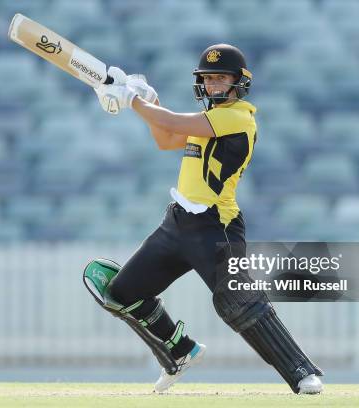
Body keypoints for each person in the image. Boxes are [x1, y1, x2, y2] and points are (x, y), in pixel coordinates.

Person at [83, 44, 323, 394]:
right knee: (121, 292)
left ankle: (301, 371)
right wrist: (147, 100)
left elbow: (169, 122)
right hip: (177, 223)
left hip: (216, 227)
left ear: (239, 82)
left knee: (236, 302)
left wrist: (134, 101)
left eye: (220, 78)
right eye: (207, 79)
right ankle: (179, 352)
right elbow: (165, 138)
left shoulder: (239, 116)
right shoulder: (207, 119)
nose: (212, 85)